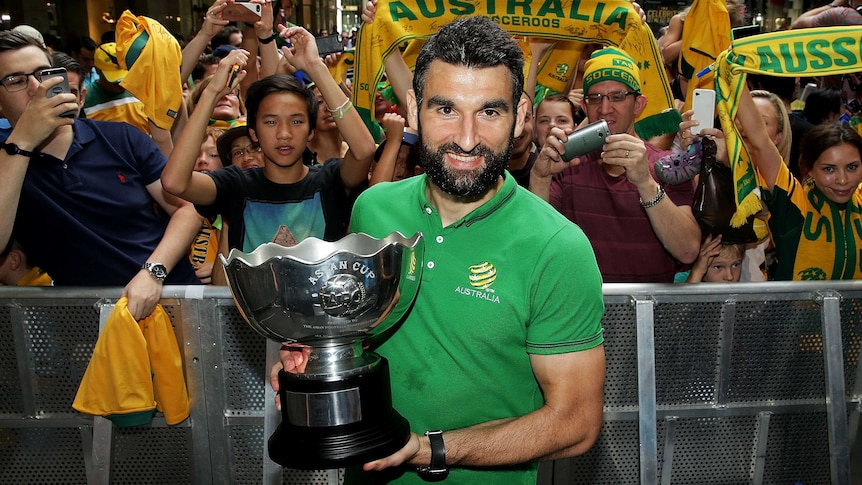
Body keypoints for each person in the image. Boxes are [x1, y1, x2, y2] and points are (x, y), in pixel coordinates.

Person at [273, 16, 605, 484]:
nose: (467, 139)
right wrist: (317, 361)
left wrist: (428, 449)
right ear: (412, 109)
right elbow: (357, 331)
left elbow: (575, 424)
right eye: (445, 109)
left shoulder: (558, 248)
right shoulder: (373, 210)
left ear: (521, 116)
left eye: (490, 112)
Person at [0, 31, 201, 319]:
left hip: (173, 303)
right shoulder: (6, 163)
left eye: (43, 73)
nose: (35, 88)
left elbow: (187, 208)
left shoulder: (121, 137)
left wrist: (152, 272)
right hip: (90, 326)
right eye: (16, 80)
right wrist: (21, 144)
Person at [161, 27, 375, 252]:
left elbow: (364, 150)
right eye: (271, 122)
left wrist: (316, 67)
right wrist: (211, 93)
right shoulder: (236, 184)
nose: (284, 133)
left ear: (311, 131)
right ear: (253, 133)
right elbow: (174, 182)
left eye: (296, 121)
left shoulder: (329, 180)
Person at [530, 46, 701, 282]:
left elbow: (688, 250)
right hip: (583, 313)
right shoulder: (568, 165)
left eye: (618, 97)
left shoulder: (667, 166)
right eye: (595, 98)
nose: (605, 108)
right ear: (584, 106)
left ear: (639, 105)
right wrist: (540, 178)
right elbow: (536, 244)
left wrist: (645, 183)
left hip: (647, 314)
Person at [737, 83, 862, 280]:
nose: (842, 180)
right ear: (809, 169)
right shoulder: (794, 203)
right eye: (829, 169)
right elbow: (760, 141)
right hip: (796, 311)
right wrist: (736, 74)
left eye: (852, 167)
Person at [84, 42, 174, 156]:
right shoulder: (86, 99)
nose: (120, 84)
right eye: (114, 80)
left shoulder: (144, 89)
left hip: (148, 157)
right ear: (97, 70)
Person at [674, 234, 744, 282]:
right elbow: (685, 303)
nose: (730, 277)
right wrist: (697, 273)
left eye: (735, 265)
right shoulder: (681, 280)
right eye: (718, 267)